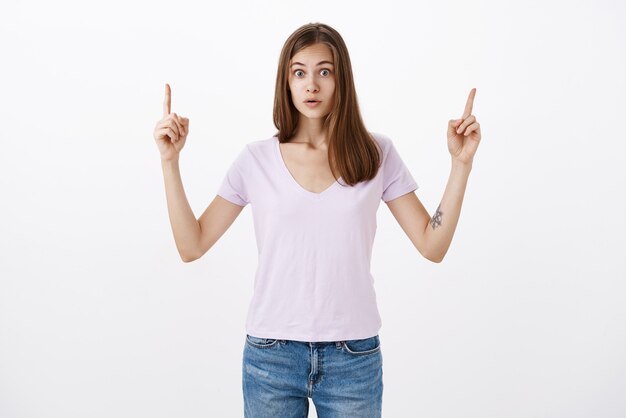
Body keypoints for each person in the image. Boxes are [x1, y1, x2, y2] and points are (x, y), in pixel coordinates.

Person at [153, 22, 481, 418]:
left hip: (353, 358)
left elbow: (433, 245)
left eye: (324, 71)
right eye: (299, 72)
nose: (311, 84)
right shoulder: (255, 160)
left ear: (341, 80)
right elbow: (192, 245)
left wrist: (460, 164)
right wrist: (170, 163)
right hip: (270, 357)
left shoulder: (375, 154)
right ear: (286, 82)